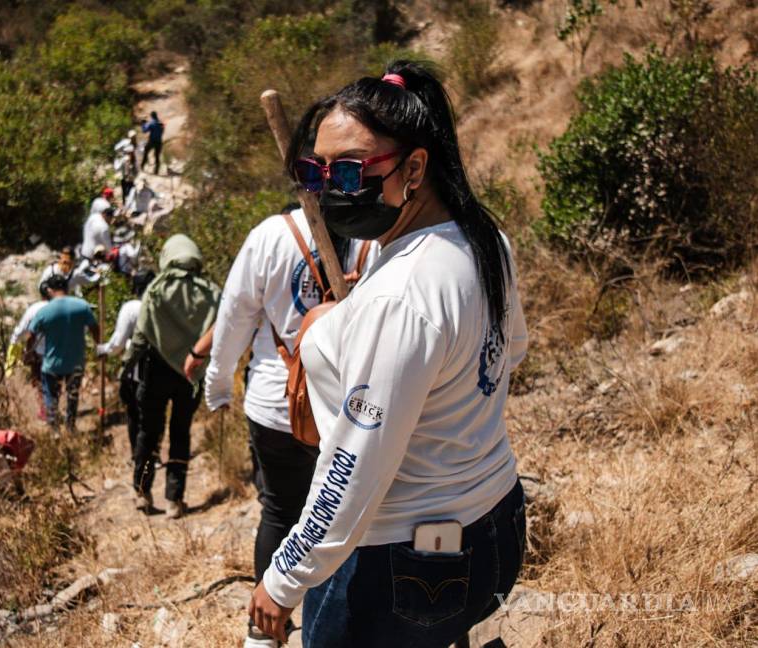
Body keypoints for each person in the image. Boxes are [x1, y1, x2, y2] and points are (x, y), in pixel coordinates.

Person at [248, 61, 529, 648]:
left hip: (405, 559)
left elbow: (354, 466)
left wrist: (281, 579)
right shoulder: (482, 240)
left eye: (350, 172)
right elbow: (508, 351)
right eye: (314, 170)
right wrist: (347, 322)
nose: (328, 189)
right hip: (495, 520)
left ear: (415, 168)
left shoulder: (403, 294)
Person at [196, 203, 377, 648]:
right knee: (351, 517)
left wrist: (217, 387)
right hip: (349, 407)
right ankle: (337, 619)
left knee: (279, 511)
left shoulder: (270, 236)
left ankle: (265, 632)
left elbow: (234, 315)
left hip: (278, 402)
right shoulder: (375, 232)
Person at [129, 234, 220, 519]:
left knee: (149, 432)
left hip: (154, 371)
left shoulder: (156, 289)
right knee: (180, 432)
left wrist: (127, 365)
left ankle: (142, 492)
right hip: (189, 375)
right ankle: (174, 500)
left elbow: (141, 334)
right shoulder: (211, 293)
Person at [27, 274, 99, 434]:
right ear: (66, 288)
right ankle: (70, 426)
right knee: (72, 395)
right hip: (75, 361)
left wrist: (30, 353)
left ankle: (54, 430)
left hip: (52, 363)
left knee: (51, 396)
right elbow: (94, 327)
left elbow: (30, 334)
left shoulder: (45, 311)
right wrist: (98, 346)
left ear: (50, 290)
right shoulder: (82, 306)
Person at [96, 269, 156, 461]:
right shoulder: (163, 304)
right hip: (162, 364)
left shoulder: (131, 308)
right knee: (155, 411)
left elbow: (118, 343)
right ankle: (153, 453)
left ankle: (137, 454)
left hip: (137, 366)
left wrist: (103, 350)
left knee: (134, 412)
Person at [7, 281, 53, 421]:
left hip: (39, 352)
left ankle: (45, 411)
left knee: (39, 382)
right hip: (60, 351)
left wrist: (13, 345)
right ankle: (53, 408)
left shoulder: (34, 309)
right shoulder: (62, 307)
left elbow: (21, 330)